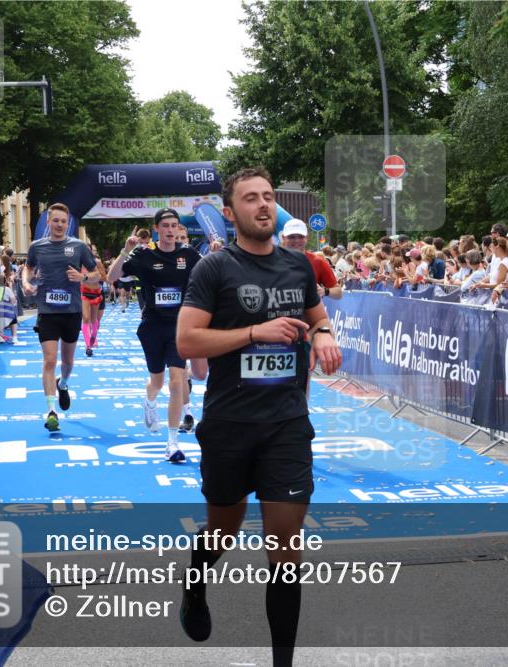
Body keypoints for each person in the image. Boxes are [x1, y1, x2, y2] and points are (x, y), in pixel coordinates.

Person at [175, 167, 341, 666]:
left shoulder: (298, 266)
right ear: (230, 213)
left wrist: (327, 334)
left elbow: (318, 315)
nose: (264, 205)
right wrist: (254, 333)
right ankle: (196, 580)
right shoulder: (215, 270)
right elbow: (187, 341)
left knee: (286, 549)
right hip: (229, 423)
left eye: (269, 197)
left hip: (287, 423)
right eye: (251, 198)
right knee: (223, 531)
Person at [108, 209, 207, 459]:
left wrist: (216, 254)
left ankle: (172, 443)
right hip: (152, 326)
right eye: (166, 226)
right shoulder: (143, 254)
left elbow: (211, 273)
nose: (171, 230)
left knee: (177, 381)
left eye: (175, 225)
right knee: (157, 381)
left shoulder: (188, 254)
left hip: (179, 326)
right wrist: (124, 250)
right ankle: (150, 401)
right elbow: (111, 277)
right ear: (156, 229)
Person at [21, 203, 98, 432]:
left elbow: (97, 275)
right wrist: (26, 282)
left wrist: (82, 278)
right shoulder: (37, 246)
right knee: (49, 360)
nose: (60, 225)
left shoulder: (78, 246)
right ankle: (51, 411)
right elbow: (28, 268)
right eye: (55, 220)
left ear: (68, 224)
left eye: (63, 221)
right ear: (48, 222)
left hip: (71, 311)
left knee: (68, 362)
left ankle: (63, 383)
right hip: (47, 311)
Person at [280, 219, 343, 300]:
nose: (296, 240)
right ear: (283, 238)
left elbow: (338, 293)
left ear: (307, 238)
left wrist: (324, 291)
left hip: (309, 311)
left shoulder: (318, 261)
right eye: (291, 237)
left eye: (300, 236)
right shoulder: (273, 260)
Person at [79, 252, 106, 357]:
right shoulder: (79, 264)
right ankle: (88, 346)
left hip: (96, 293)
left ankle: (94, 336)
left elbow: (104, 277)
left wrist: (92, 276)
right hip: (84, 292)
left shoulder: (97, 263)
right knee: (85, 318)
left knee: (94, 319)